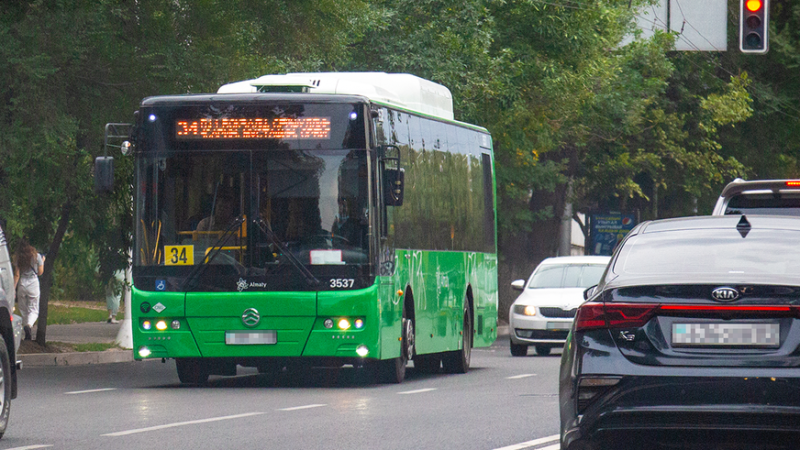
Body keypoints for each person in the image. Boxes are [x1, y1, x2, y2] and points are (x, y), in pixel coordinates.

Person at [13, 239, 44, 341]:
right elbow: (40, 272)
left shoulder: (18, 258)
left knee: (23, 309)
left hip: (22, 284)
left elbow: (17, 274)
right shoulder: (37, 256)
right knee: (34, 309)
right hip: (33, 284)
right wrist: (42, 262)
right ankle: (29, 326)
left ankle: (27, 332)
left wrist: (13, 288)